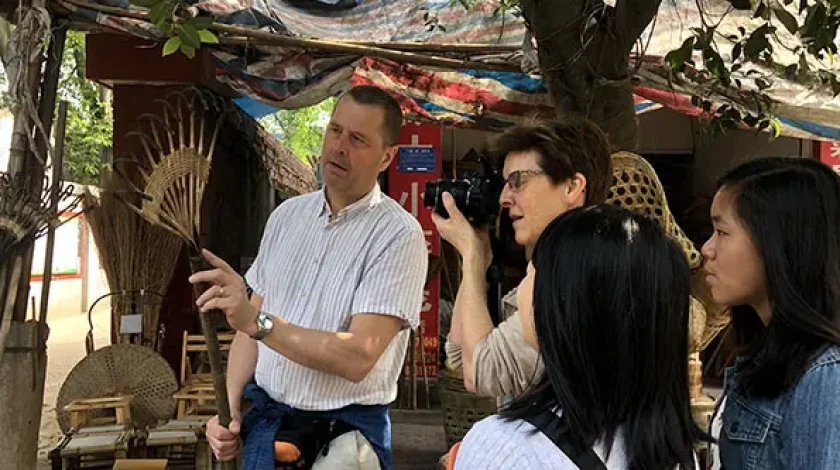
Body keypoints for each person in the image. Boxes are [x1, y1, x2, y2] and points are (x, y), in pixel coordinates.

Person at [188, 85, 428, 469]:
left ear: (386, 157)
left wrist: (258, 323)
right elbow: (250, 334)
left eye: (357, 139)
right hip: (268, 425)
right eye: (335, 130)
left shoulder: (398, 235)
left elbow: (357, 355)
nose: (339, 147)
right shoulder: (286, 217)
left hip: (344, 440)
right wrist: (229, 410)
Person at [451, 205, 705, 469]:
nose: (522, 288)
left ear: (559, 306)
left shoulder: (507, 448)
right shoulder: (680, 455)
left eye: (530, 273)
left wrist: (472, 258)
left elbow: (471, 363)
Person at [433, 117, 613, 397]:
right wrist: (477, 261)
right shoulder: (563, 263)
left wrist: (470, 254)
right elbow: (460, 356)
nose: (504, 199)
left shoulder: (576, 275)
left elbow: (481, 374)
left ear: (571, 187)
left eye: (517, 182)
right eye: (505, 184)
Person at [702, 157, 840, 469]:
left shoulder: (823, 377)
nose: (706, 248)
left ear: (776, 242)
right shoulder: (762, 354)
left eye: (721, 232)